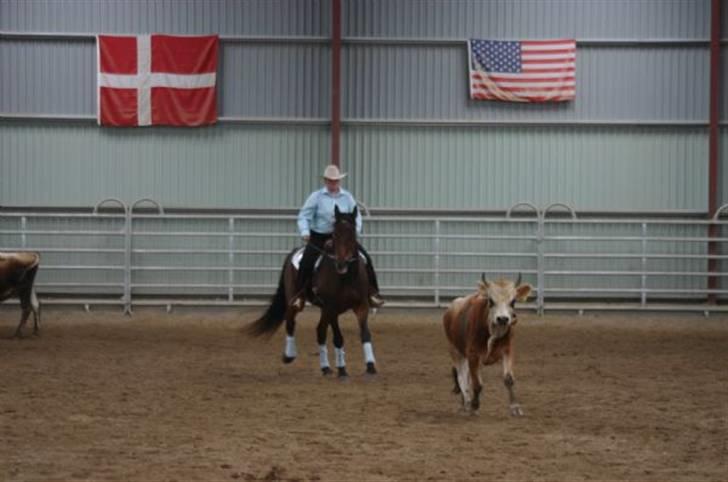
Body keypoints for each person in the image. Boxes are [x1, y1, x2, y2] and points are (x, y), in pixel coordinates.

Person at [291, 164, 384, 310]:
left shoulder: (347, 197)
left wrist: (355, 232)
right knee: (307, 260)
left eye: (335, 181)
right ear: (325, 181)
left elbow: (357, 216)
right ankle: (300, 295)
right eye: (330, 180)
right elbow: (303, 216)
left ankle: (372, 293)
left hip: (343, 238)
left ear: (339, 181)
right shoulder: (316, 197)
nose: (333, 183)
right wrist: (305, 232)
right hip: (320, 236)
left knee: (365, 258)